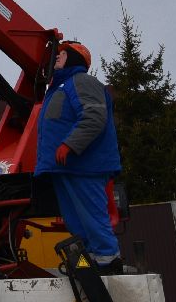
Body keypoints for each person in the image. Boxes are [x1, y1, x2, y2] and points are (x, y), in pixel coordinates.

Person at [34, 39, 124, 275]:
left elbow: (94, 117)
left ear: (74, 58)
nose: (56, 59)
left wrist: (70, 145)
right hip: (65, 167)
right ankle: (93, 259)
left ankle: (108, 261)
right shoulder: (59, 88)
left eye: (61, 54)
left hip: (85, 166)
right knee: (76, 220)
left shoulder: (82, 81)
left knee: (92, 216)